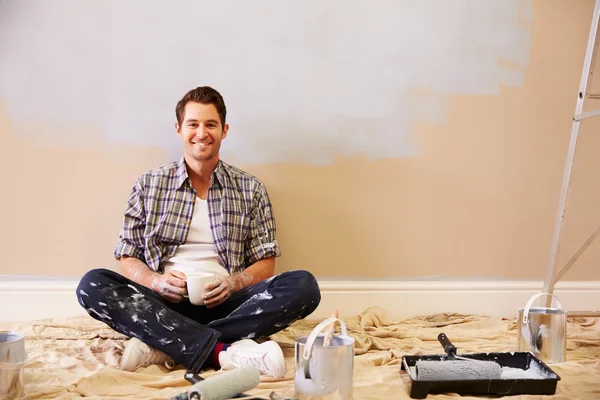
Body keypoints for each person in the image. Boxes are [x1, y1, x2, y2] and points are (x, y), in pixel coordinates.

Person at [76, 86, 321, 378]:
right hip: (163, 304)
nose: (201, 133)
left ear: (224, 130)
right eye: (193, 124)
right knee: (92, 284)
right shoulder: (149, 184)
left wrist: (232, 283)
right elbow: (127, 256)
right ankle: (223, 351)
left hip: (229, 305)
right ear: (179, 129)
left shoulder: (250, 188)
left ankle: (165, 344)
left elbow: (266, 263)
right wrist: (156, 282)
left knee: (304, 286)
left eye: (210, 125)